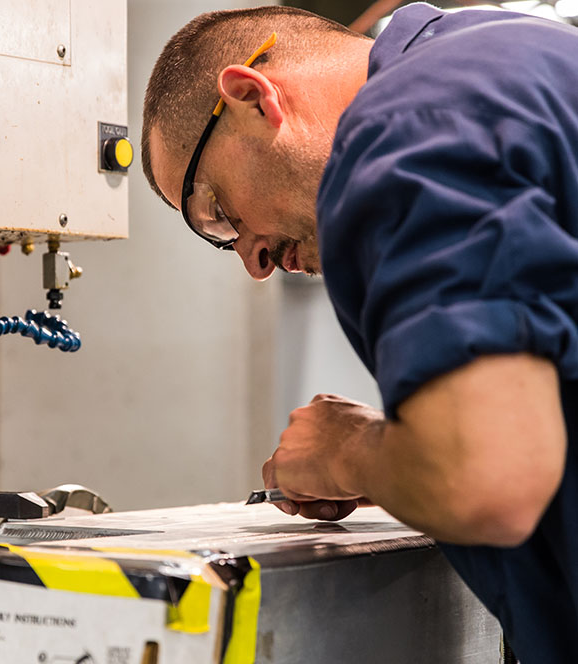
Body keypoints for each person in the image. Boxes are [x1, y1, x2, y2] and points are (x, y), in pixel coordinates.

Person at [141, 3, 578, 661]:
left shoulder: (408, 133)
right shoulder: (510, 57)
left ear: (251, 98)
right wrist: (411, 453)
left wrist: (347, 449)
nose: (252, 261)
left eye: (216, 213)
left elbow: (487, 485)